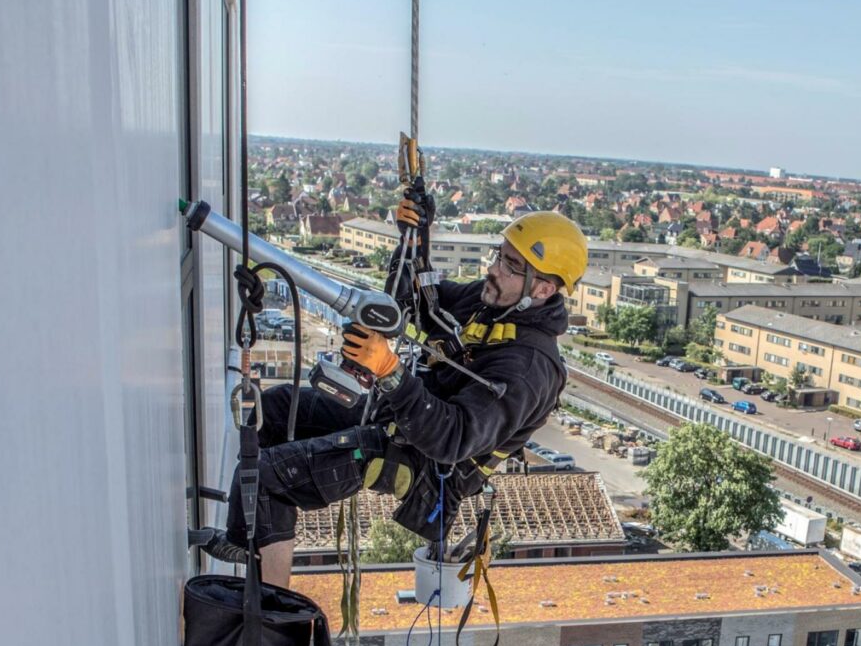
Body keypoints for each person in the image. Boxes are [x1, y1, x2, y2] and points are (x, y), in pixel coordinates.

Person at [195, 202, 588, 588]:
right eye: (499, 257)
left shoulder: (529, 366)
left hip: (422, 464)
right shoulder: (493, 305)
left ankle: (269, 612)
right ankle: (249, 538)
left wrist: (390, 372)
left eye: (510, 266)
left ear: (542, 288)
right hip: (397, 419)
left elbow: (453, 438)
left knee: (271, 477)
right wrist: (412, 242)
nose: (494, 270)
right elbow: (414, 304)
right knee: (278, 407)